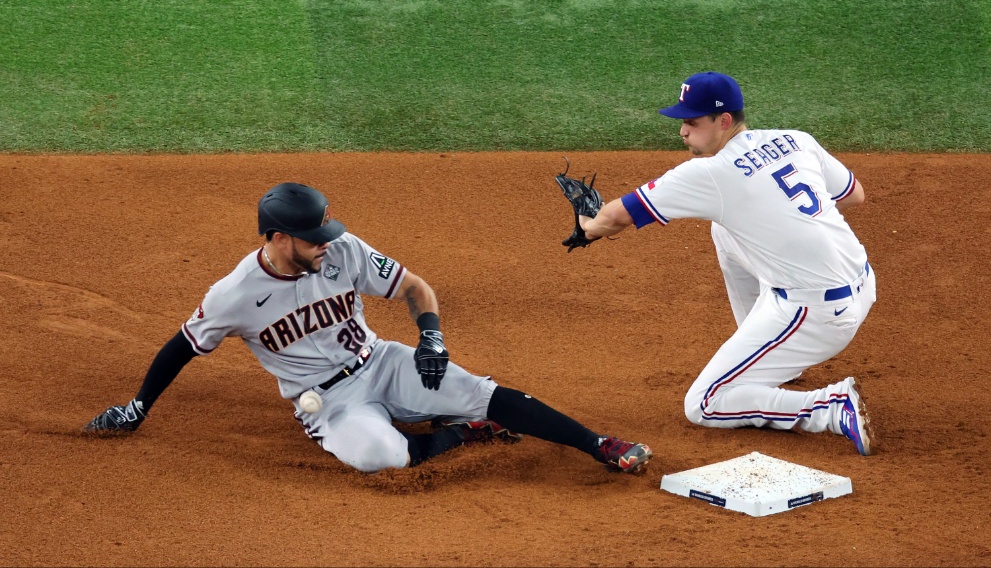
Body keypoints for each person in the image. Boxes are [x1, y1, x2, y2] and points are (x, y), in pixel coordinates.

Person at [86, 182, 652, 474]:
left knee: (482, 391)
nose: (326, 243)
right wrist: (138, 407)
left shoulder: (341, 250)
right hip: (329, 404)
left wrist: (431, 336)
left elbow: (415, 287)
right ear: (278, 238)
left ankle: (597, 444)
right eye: (312, 237)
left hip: (382, 361)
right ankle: (456, 434)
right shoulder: (233, 296)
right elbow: (183, 346)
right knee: (381, 458)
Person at [574, 72, 877, 455]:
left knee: (703, 403)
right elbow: (854, 195)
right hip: (863, 283)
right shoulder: (795, 139)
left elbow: (615, 217)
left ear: (724, 121)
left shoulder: (711, 173)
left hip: (817, 315)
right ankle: (773, 358)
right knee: (726, 232)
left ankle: (828, 407)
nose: (683, 132)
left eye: (691, 122)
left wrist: (587, 228)